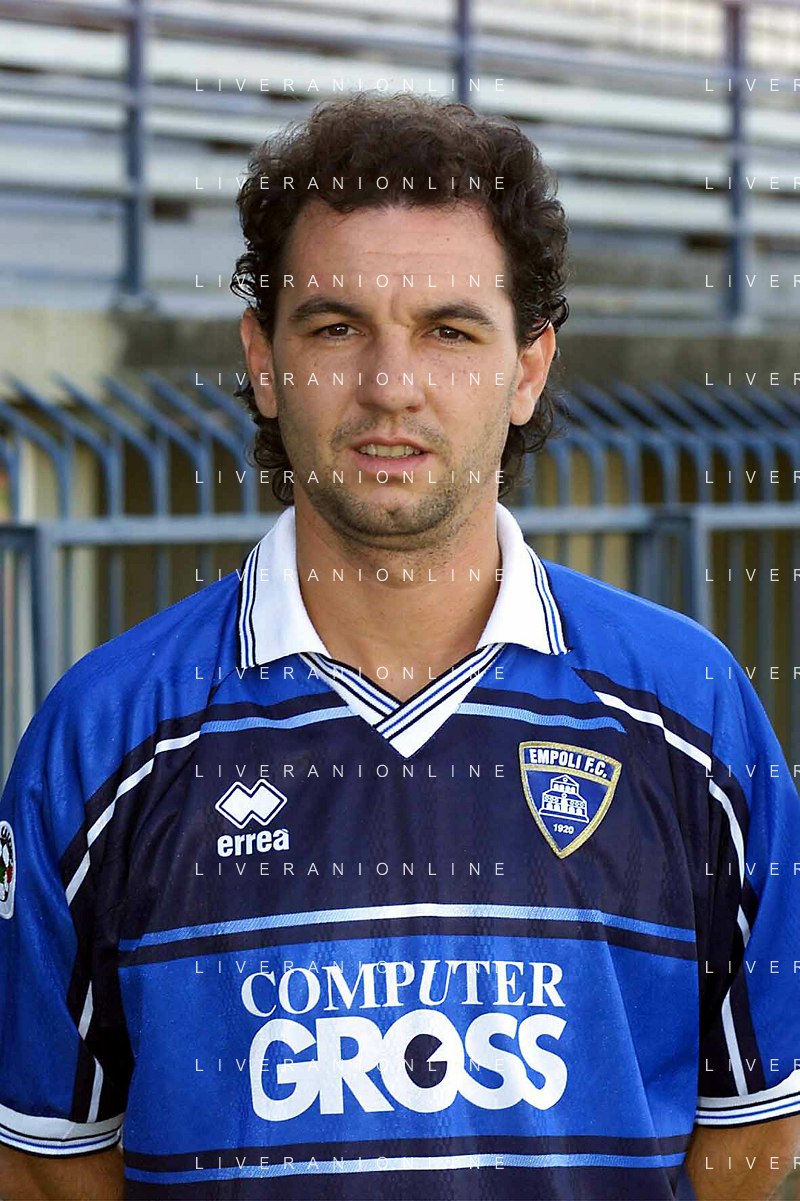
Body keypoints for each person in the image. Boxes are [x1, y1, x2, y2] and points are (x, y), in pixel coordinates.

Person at [0, 91, 798, 1201]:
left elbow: (757, 1127)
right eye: (335, 328)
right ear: (264, 360)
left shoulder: (692, 713)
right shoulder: (102, 739)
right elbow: (43, 1159)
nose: (389, 386)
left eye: (448, 331)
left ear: (528, 369)